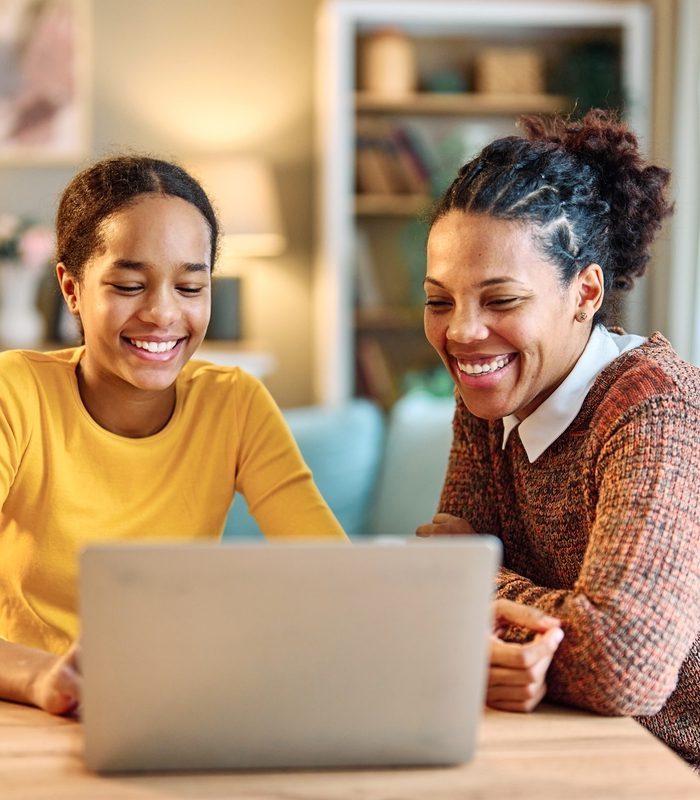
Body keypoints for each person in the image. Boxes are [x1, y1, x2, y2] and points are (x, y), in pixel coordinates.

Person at [0, 155, 347, 718]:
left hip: (172, 704)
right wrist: (44, 679)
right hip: (22, 710)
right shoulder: (15, 394)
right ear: (71, 288)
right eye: (130, 284)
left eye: (190, 286)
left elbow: (337, 577)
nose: (163, 314)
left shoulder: (234, 402)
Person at [416, 109, 700, 769]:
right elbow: (437, 590)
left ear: (585, 292)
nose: (461, 333)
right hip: (582, 746)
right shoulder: (488, 397)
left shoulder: (655, 410)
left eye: (502, 300)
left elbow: (622, 662)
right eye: (439, 301)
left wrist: (475, 584)